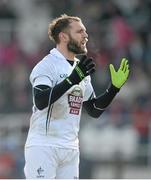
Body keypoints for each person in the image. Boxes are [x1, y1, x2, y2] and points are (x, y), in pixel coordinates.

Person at [24, 14, 129, 179]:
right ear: (64, 36)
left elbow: (94, 110)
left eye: (85, 32)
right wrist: (72, 80)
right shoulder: (47, 65)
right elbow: (41, 101)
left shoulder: (81, 71)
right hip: (44, 146)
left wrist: (114, 89)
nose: (85, 36)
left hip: (70, 149)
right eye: (80, 31)